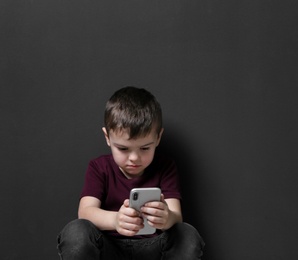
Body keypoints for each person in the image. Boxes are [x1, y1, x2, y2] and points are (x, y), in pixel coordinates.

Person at [57, 86, 205, 260]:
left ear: (158, 137)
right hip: (109, 249)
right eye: (123, 148)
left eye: (144, 148)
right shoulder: (99, 167)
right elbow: (85, 212)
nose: (134, 158)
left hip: (154, 248)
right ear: (107, 137)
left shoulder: (165, 166)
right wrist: (115, 220)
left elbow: (176, 216)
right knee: (76, 231)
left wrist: (166, 217)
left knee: (186, 234)